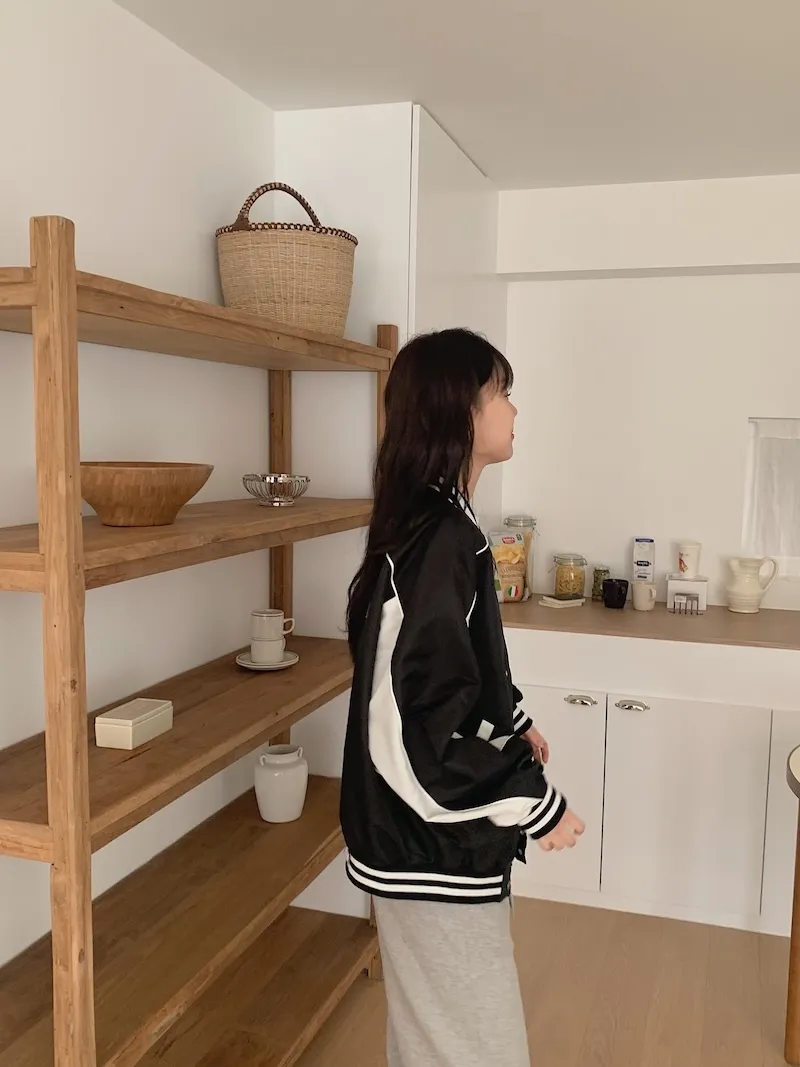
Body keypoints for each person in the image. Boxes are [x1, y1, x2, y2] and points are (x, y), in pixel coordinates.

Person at [340, 328, 584, 1067]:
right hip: (427, 843)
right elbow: (415, 728)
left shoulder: (443, 522)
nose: (514, 408)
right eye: (500, 392)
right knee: (472, 1047)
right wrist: (535, 802)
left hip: (423, 839)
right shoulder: (442, 534)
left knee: (435, 1036)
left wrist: (513, 720)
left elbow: (453, 663)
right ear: (458, 411)